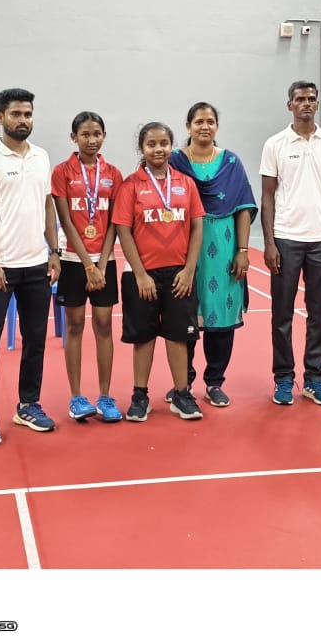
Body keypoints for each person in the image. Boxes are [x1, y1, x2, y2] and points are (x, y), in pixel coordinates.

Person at [0, 88, 61, 445]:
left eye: (28, 114)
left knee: (35, 340)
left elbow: (47, 205)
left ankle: (28, 405)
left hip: (36, 264)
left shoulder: (40, 156)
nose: (23, 120)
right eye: (16, 114)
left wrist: (54, 250)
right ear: (0, 117)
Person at [260, 79, 321, 406]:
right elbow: (267, 196)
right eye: (300, 99)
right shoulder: (276, 144)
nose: (307, 103)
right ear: (290, 105)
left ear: (317, 103)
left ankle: (315, 378)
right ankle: (284, 377)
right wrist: (269, 242)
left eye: (312, 98)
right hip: (286, 239)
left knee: (318, 314)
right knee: (281, 315)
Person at [112, 121, 205, 422]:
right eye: (151, 144)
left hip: (179, 273)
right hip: (142, 276)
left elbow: (196, 227)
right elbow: (123, 231)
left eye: (164, 143)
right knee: (144, 337)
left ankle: (182, 393)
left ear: (171, 146)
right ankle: (140, 395)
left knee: (179, 336)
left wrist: (189, 269)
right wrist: (140, 274)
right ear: (142, 148)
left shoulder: (185, 183)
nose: (158, 149)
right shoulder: (131, 185)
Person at [168, 102, 258, 407]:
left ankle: (215, 382)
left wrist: (243, 251)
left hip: (225, 249)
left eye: (210, 121)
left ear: (216, 126)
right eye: (198, 122)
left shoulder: (231, 162)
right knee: (186, 316)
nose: (204, 127)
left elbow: (244, 208)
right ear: (188, 126)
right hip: (184, 249)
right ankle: (185, 380)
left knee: (221, 315)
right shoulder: (175, 161)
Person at [51, 111, 124, 423]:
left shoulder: (114, 174)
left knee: (105, 325)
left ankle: (105, 396)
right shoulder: (61, 172)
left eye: (97, 134)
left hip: (104, 261)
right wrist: (87, 265)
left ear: (104, 136)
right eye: (85, 135)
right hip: (72, 261)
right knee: (75, 326)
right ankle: (77, 397)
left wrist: (102, 263)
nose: (92, 140)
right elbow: (66, 222)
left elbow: (114, 224)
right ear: (74, 138)